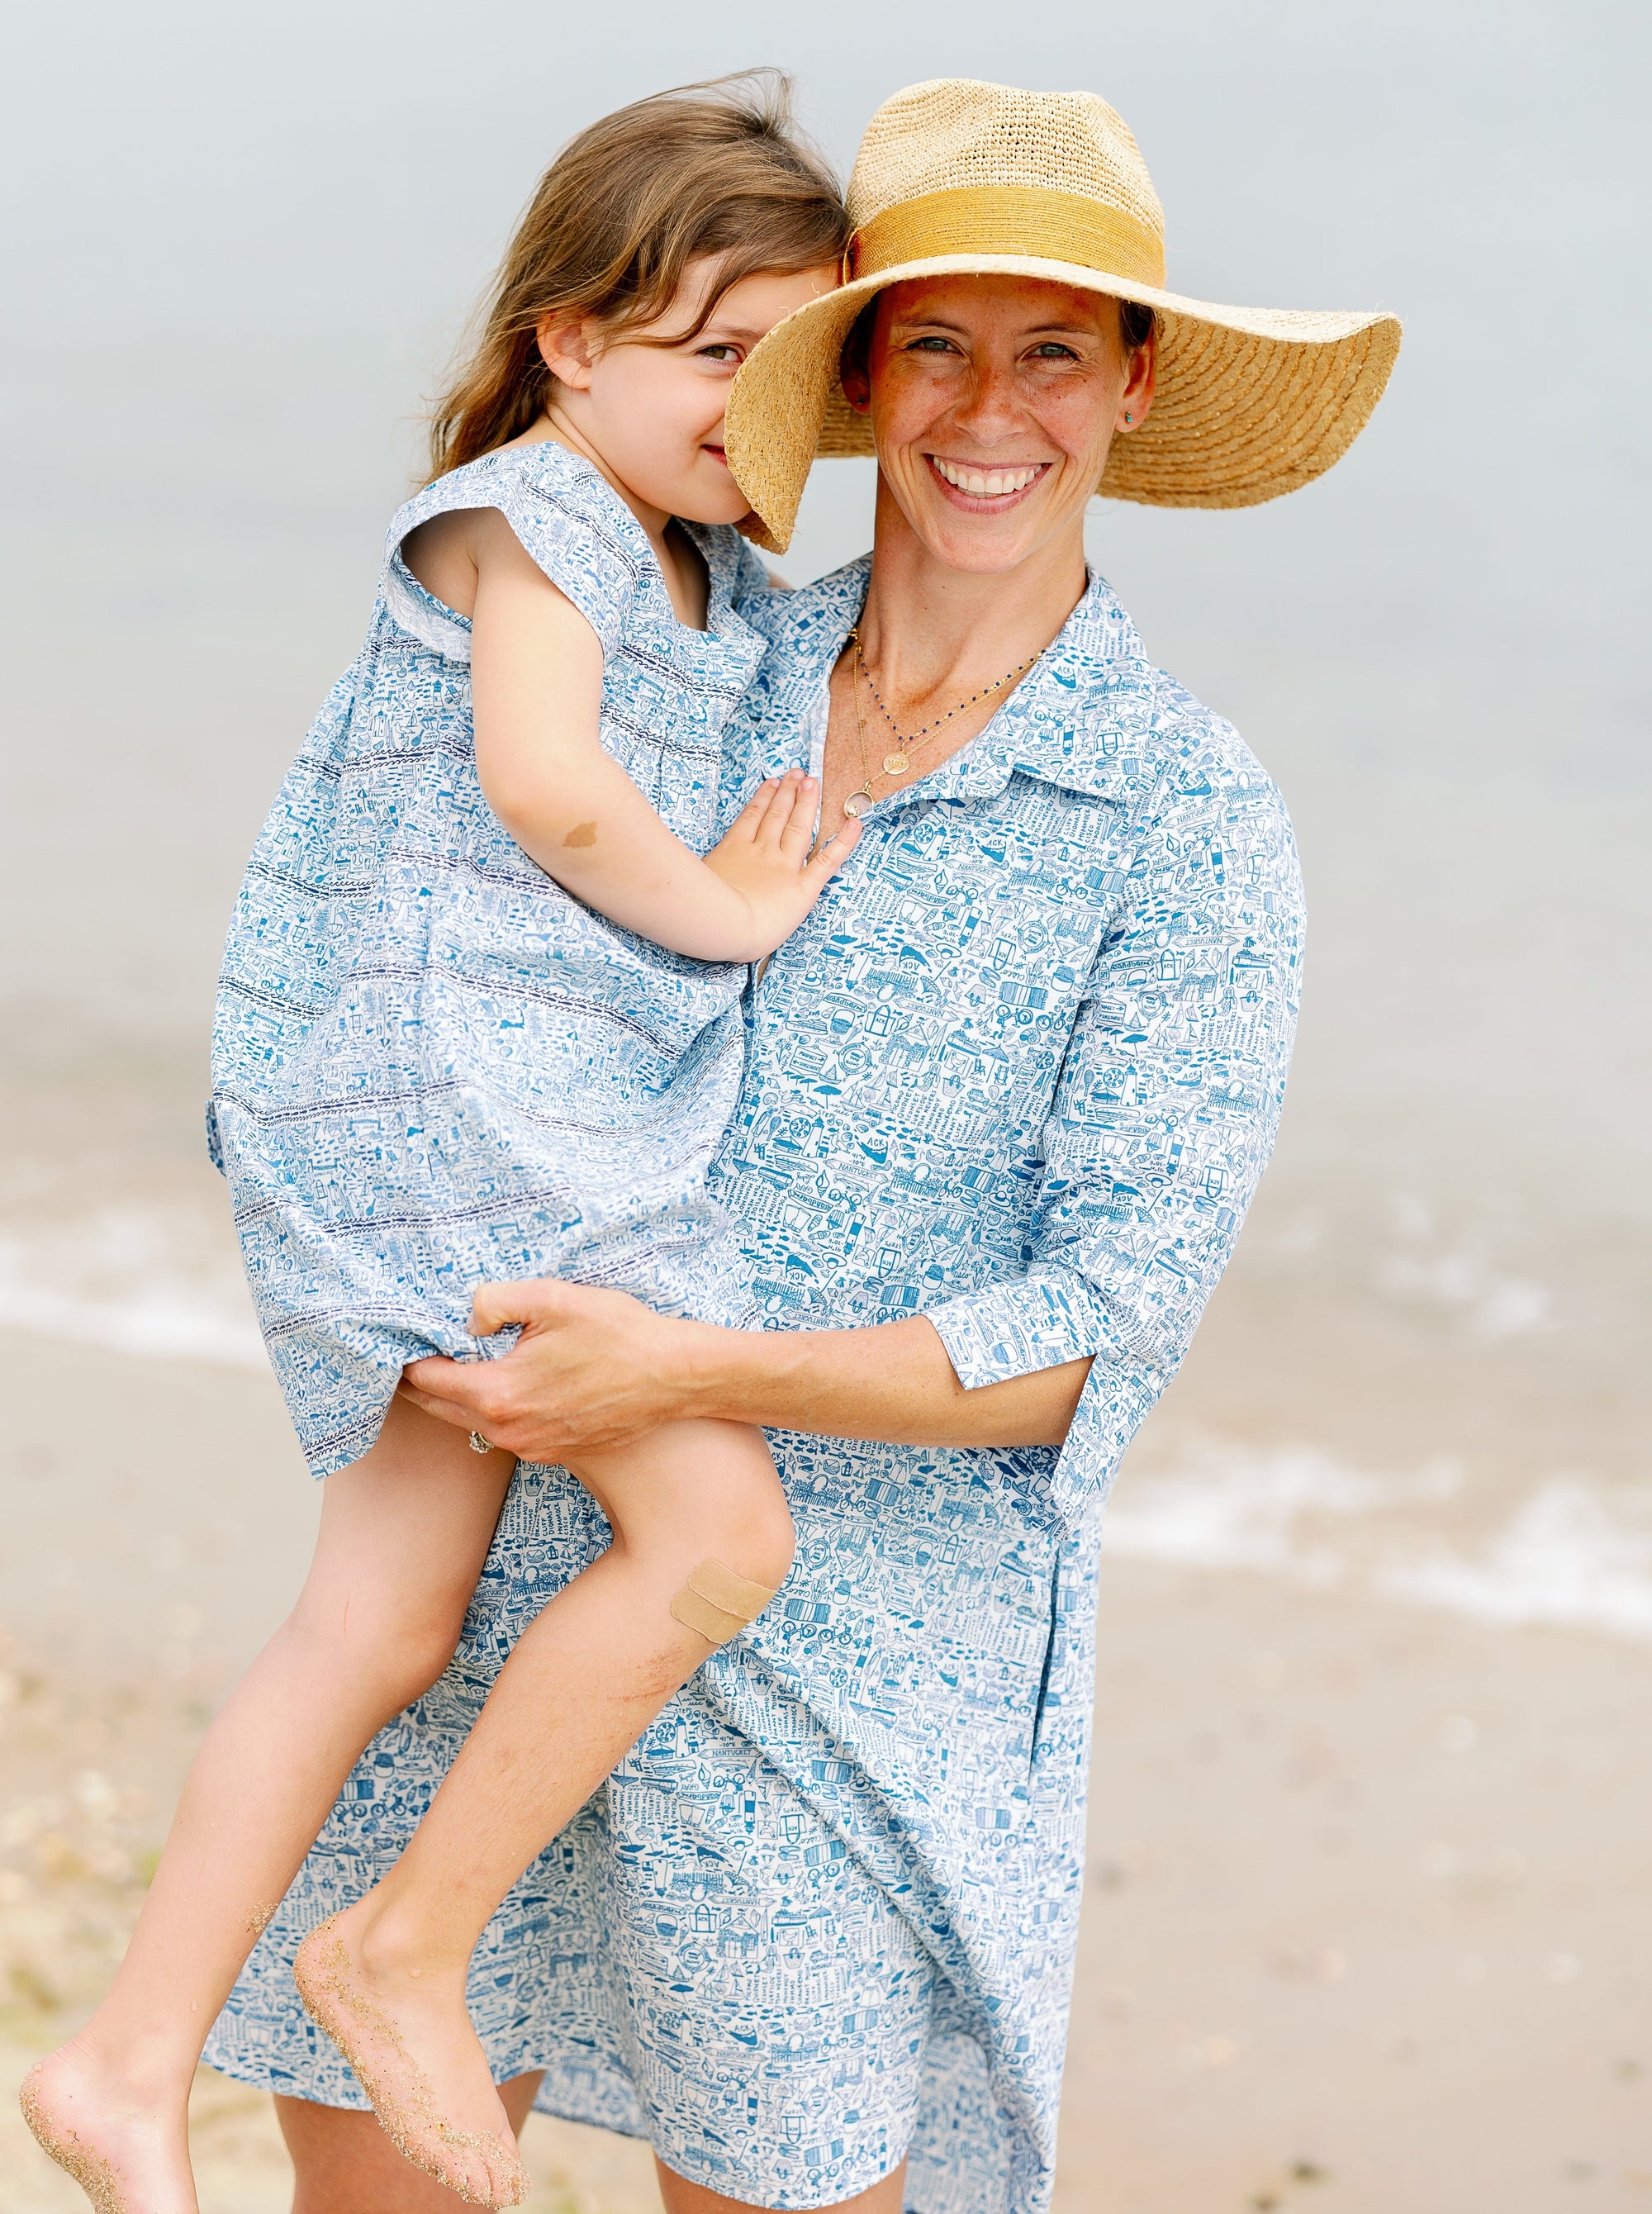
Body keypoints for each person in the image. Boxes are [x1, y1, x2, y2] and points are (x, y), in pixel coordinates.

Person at [209, 74, 1395, 2214]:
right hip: (515, 1591)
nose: (985, 411)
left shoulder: (1186, 828)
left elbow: (1089, 1334)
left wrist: (684, 1381)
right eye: (932, 342)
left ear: (1132, 388)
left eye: (1051, 350)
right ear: (854, 374)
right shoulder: (675, 657)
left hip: (858, 1679)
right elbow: (385, 930)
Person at [21, 74, 857, 2214]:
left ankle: (126, 2058)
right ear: (571, 336)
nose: (745, 407)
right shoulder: (533, 516)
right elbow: (548, 790)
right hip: (442, 1103)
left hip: (474, 1116)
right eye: (707, 355)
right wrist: (737, 909)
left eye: (796, 368)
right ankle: (401, 1948)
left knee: (378, 1624)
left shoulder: (717, 577)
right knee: (721, 1537)